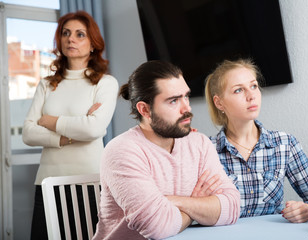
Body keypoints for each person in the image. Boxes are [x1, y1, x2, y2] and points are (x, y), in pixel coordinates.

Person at [93, 60, 240, 240]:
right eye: (173, 101)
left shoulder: (200, 143)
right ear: (145, 110)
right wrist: (197, 206)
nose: (187, 108)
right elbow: (157, 228)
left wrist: (173, 201)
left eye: (186, 96)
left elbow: (232, 208)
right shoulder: (122, 151)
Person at [22, 11, 119, 239]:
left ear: (93, 44)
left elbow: (94, 129)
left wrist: (51, 122)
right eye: (65, 33)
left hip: (90, 181)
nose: (70, 39)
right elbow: (28, 132)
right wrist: (65, 137)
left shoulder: (105, 83)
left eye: (79, 34)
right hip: (47, 181)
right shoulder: (46, 85)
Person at [204, 58, 308, 223]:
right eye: (238, 90)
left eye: (253, 86)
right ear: (219, 103)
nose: (251, 96)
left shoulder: (284, 143)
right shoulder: (205, 150)